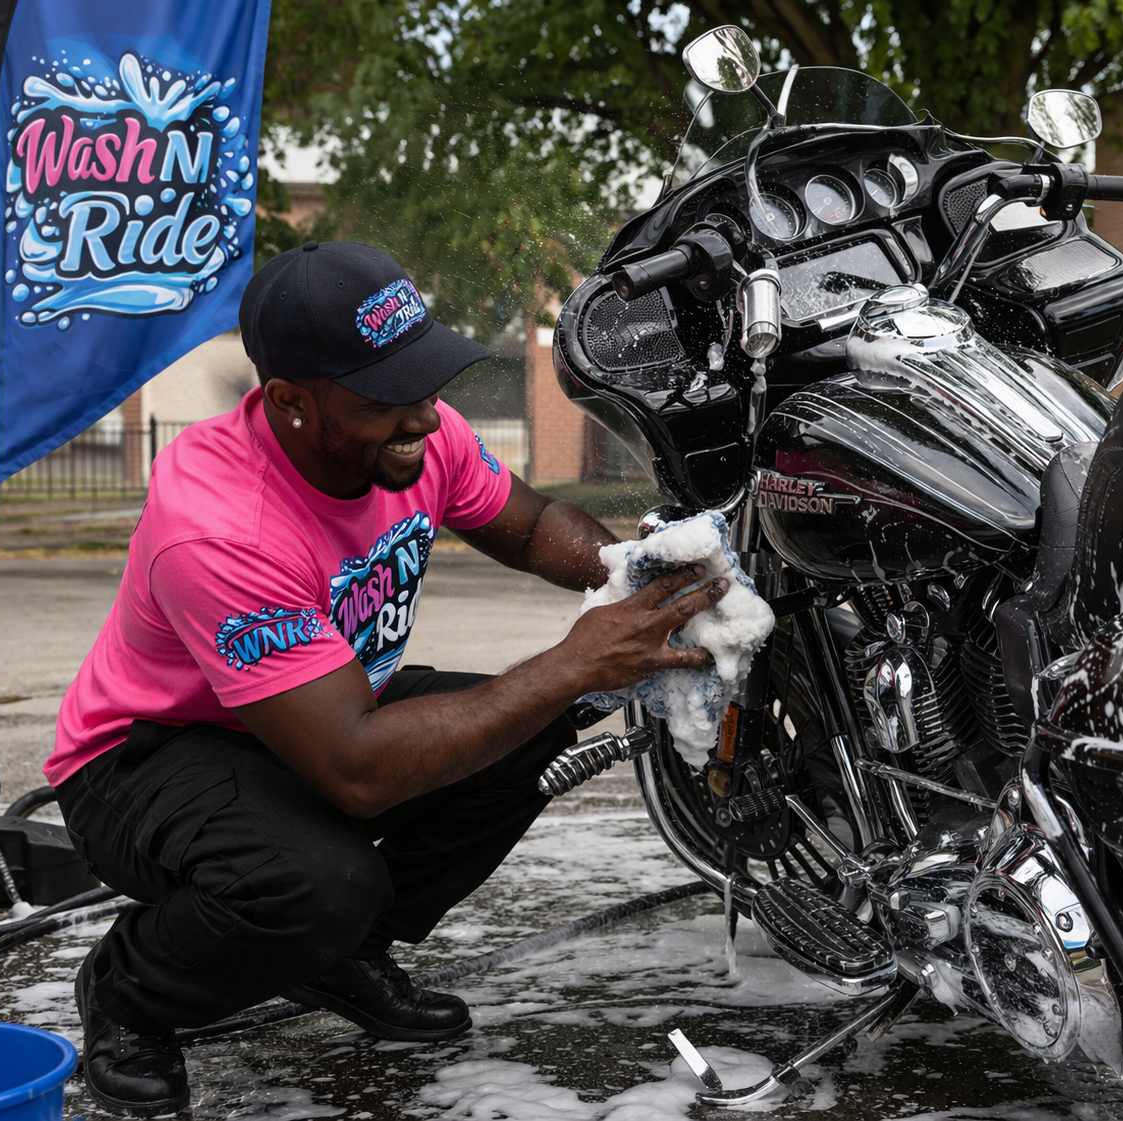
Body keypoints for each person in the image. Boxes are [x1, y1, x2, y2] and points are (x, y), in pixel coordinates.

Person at [46, 240, 727, 1117]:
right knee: (320, 883)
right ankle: (131, 992)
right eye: (385, 396)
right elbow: (356, 772)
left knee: (533, 726)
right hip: (145, 757)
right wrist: (573, 660)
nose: (423, 416)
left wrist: (635, 570)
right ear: (290, 400)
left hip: (312, 715)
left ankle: (338, 956)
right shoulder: (219, 523)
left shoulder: (420, 430)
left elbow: (525, 527)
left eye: (425, 380)